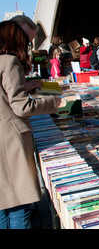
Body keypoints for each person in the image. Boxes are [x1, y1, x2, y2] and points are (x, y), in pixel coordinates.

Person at [0, 20, 61, 229]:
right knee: (19, 203)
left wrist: (23, 86)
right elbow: (21, 107)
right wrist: (53, 103)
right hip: (9, 142)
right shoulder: (9, 62)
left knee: (3, 203)